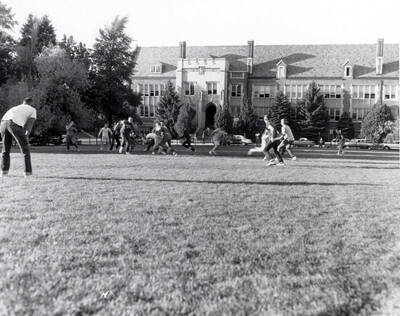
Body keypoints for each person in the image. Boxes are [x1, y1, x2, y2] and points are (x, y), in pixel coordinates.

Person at [1, 97, 37, 177]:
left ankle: (4, 172)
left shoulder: (15, 107)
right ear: (31, 103)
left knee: (5, 149)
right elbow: (30, 123)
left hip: (3, 123)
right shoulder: (32, 109)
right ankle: (27, 173)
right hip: (14, 124)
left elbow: (4, 119)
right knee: (25, 149)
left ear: (23, 102)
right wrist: (27, 134)